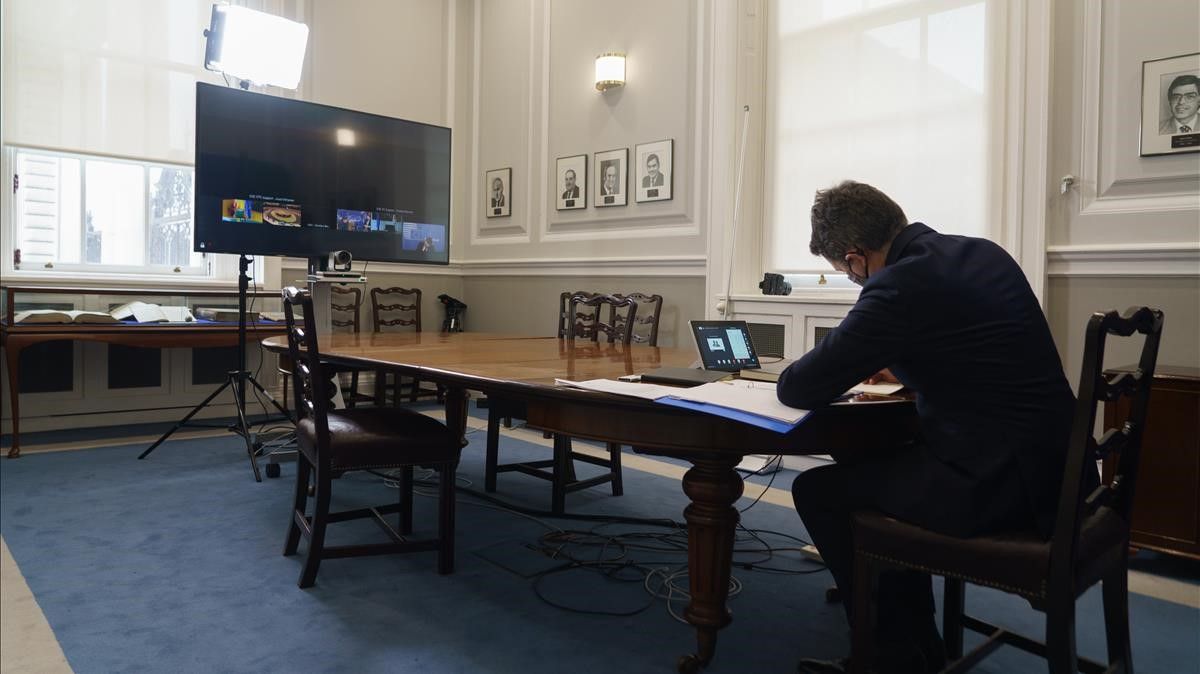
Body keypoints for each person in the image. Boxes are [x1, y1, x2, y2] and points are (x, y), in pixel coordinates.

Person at [776, 181, 1076, 674]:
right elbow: (975, 351)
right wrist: (908, 368)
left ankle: (892, 656)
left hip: (1003, 487)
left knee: (818, 491)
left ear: (856, 258)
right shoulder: (980, 252)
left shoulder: (898, 285)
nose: (855, 281)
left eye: (847, 274)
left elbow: (798, 387)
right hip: (1059, 470)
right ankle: (913, 638)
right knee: (868, 466)